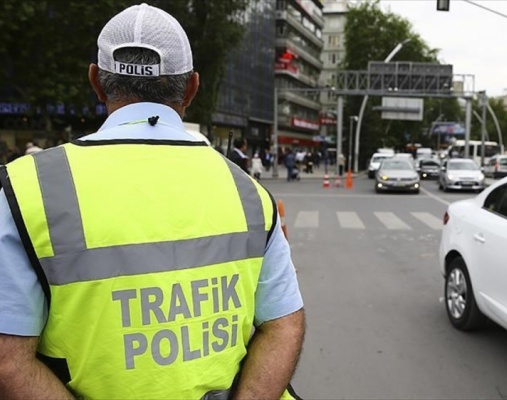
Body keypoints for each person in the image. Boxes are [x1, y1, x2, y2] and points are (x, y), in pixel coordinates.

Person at [0, 4, 304, 400]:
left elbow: (8, 359)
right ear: (192, 88)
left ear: (96, 81)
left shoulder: (25, 190)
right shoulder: (247, 191)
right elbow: (284, 325)